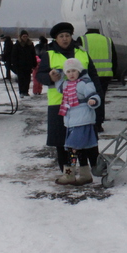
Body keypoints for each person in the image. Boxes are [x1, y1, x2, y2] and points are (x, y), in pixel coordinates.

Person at [36, 22, 102, 175]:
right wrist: (49, 77)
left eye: (67, 36)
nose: (65, 39)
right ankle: (68, 173)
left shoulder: (82, 53)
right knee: (63, 142)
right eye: (61, 36)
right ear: (56, 39)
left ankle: (89, 170)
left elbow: (93, 76)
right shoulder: (49, 54)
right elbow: (39, 76)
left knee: (86, 139)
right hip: (59, 105)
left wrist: (98, 97)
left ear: (71, 37)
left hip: (82, 106)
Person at [53, 58, 100, 185]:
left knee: (72, 149)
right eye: (68, 71)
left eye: (74, 70)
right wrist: (57, 75)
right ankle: (85, 175)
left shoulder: (84, 83)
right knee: (80, 149)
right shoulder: (67, 84)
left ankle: (69, 174)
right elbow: (60, 87)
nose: (71, 74)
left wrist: (93, 101)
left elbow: (94, 95)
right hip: (72, 121)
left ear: (79, 71)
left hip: (82, 121)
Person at [79, 27, 117, 133]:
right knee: (100, 99)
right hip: (105, 74)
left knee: (86, 99)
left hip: (88, 75)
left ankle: (88, 122)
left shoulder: (82, 39)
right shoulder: (107, 40)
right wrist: (113, 72)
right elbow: (114, 57)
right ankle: (99, 124)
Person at [11, 30, 37, 98]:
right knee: (21, 79)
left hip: (28, 65)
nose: (25, 37)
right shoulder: (17, 45)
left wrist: (34, 63)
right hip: (20, 65)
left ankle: (26, 91)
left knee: (27, 79)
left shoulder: (30, 44)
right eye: (23, 36)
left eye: (26, 36)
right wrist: (15, 65)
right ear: (21, 37)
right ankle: (21, 92)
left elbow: (33, 54)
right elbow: (14, 56)